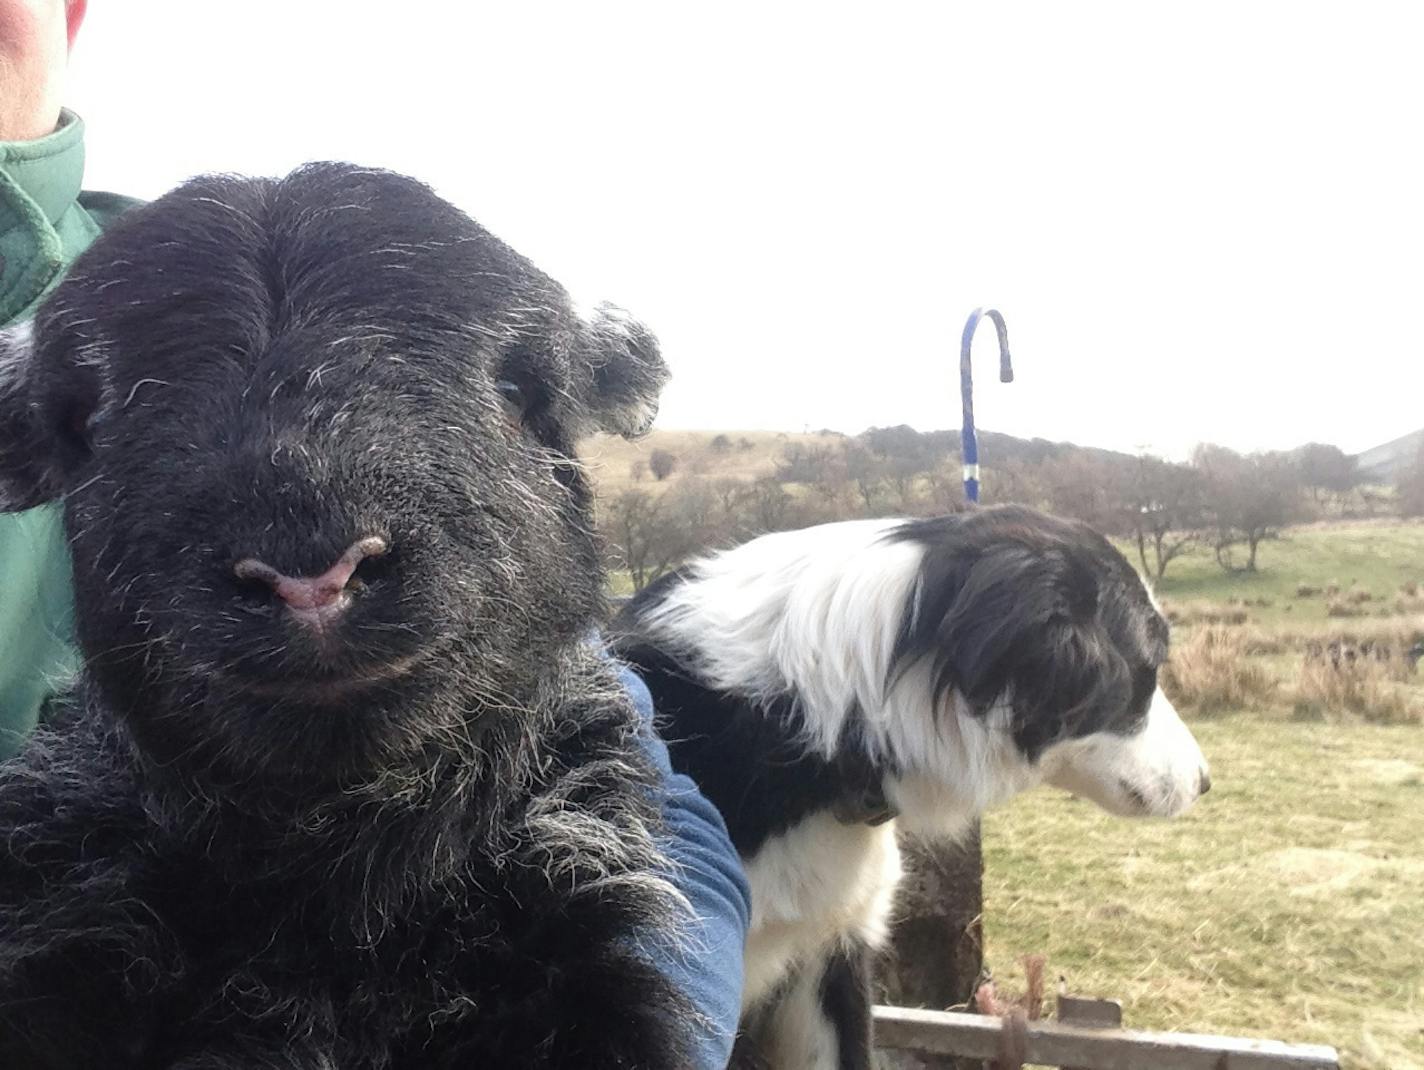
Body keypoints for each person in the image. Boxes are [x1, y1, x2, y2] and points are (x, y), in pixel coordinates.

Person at [0, 5, 749, 1065]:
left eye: (502, 396)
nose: (316, 573)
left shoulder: (129, 268)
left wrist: (631, 1005)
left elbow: (639, 774)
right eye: (114, 418)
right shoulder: (85, 336)